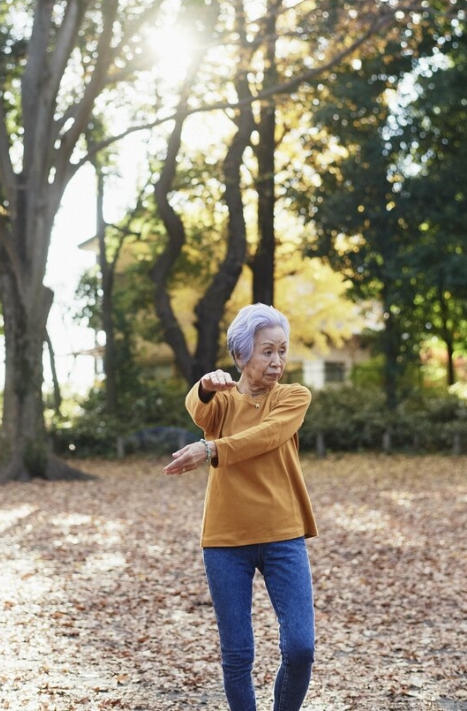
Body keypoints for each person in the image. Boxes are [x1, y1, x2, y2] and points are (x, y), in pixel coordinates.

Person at [163, 303, 317, 711]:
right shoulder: (225, 403)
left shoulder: (292, 397)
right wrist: (205, 386)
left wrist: (210, 449)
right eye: (267, 351)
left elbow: (266, 436)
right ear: (241, 355)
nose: (277, 361)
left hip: (283, 534)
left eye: (282, 351)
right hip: (226, 539)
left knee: (301, 647)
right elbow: (199, 412)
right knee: (237, 656)